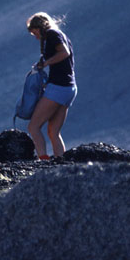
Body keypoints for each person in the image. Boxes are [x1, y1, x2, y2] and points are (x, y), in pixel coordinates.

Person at [26, 12, 76, 160]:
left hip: (58, 87)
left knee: (33, 127)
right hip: (69, 88)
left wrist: (45, 63)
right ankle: (61, 163)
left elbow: (64, 53)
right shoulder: (59, 35)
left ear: (40, 27)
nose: (35, 37)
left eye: (35, 32)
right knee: (53, 131)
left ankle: (43, 161)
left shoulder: (52, 35)